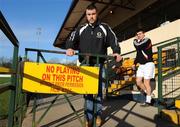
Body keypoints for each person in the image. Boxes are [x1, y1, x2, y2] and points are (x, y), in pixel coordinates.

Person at [66, 4, 122, 127]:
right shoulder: (81, 28)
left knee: (99, 92)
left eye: (93, 14)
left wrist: (116, 51)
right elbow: (71, 39)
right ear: (86, 15)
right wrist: (69, 47)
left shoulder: (104, 27)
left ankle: (98, 115)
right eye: (89, 14)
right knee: (87, 92)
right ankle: (88, 118)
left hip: (99, 64)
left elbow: (114, 39)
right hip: (85, 65)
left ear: (97, 14)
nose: (91, 17)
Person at [132, 29, 155, 106]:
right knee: (138, 81)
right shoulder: (138, 43)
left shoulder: (147, 40)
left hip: (148, 64)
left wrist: (135, 40)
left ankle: (148, 101)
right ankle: (148, 93)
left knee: (146, 82)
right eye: (137, 34)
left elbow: (137, 45)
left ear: (144, 34)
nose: (139, 35)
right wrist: (134, 63)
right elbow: (138, 54)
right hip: (141, 65)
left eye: (140, 34)